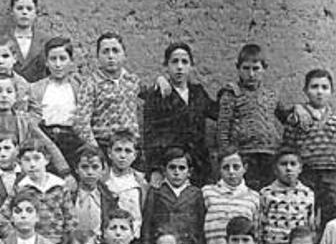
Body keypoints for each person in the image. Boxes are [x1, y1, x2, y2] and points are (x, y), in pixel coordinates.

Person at [217, 44, 293, 190]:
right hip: (243, 155)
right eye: (246, 68)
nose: (251, 74)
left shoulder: (271, 95)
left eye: (256, 68)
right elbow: (223, 129)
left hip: (270, 154)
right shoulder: (231, 93)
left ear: (264, 69)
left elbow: (286, 118)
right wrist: (227, 157)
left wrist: (298, 109)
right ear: (238, 68)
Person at [140, 42, 216, 184]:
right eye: (174, 61)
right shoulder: (157, 95)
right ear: (166, 66)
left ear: (191, 66)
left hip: (197, 165)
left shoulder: (198, 93)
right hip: (170, 167)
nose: (179, 67)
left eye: (184, 62)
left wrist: (230, 94)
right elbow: (150, 135)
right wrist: (155, 169)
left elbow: (217, 112)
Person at [0, 137, 73, 244]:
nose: (32, 164)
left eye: (37, 158)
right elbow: (2, 220)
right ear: (20, 163)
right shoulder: (20, 188)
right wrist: (19, 239)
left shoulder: (60, 187)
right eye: (27, 160)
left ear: (46, 160)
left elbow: (71, 221)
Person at [283, 69, 336, 223]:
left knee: (331, 215)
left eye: (325, 87)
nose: (319, 92)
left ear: (332, 91)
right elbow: (288, 148)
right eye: (314, 87)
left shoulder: (334, 120)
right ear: (305, 90)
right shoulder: (297, 118)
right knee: (303, 215)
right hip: (305, 174)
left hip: (331, 176)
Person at [73, 32, 140, 150]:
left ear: (124, 55)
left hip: (130, 146)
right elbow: (81, 123)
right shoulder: (90, 84)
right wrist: (95, 149)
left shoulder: (132, 81)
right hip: (104, 144)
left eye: (115, 51)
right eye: (105, 51)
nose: (110, 56)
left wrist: (161, 80)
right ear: (98, 56)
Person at [141, 147, 205, 244]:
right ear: (164, 171)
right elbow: (147, 225)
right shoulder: (156, 193)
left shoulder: (196, 194)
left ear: (189, 172)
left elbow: (200, 225)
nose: (177, 172)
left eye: (182, 168)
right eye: (172, 167)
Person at [202, 148, 261, 244]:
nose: (231, 172)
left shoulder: (253, 197)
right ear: (219, 169)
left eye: (236, 167)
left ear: (245, 168)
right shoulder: (207, 192)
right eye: (226, 167)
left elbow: (257, 232)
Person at [260, 148, 315, 244]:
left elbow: (310, 224)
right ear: (275, 169)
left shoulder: (307, 194)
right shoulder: (267, 193)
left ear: (300, 168)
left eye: (293, 164)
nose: (288, 168)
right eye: (283, 164)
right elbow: (260, 224)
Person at [103, 130, 146, 241]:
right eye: (118, 150)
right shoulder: (102, 180)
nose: (122, 155)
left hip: (134, 239)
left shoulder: (140, 183)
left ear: (135, 155)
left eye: (128, 151)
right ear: (109, 153)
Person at [70, 144, 118, 236]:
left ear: (103, 170)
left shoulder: (110, 197)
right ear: (76, 169)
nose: (90, 172)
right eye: (84, 167)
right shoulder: (69, 195)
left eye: (95, 167)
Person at [5, 0, 47, 81]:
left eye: (29, 9)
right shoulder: (2, 40)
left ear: (36, 12)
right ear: (11, 11)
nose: (24, 12)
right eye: (19, 8)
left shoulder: (46, 41)